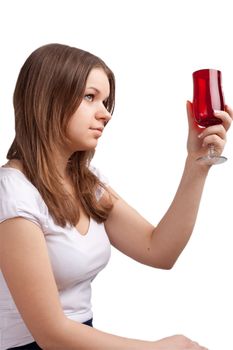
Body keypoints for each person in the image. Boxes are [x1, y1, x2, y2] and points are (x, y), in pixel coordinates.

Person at [0, 43, 232, 350]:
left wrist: (197, 163)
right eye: (90, 97)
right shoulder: (13, 193)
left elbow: (159, 250)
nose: (105, 113)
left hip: (84, 337)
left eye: (106, 101)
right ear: (47, 98)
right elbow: (51, 334)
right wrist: (160, 348)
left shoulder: (86, 183)